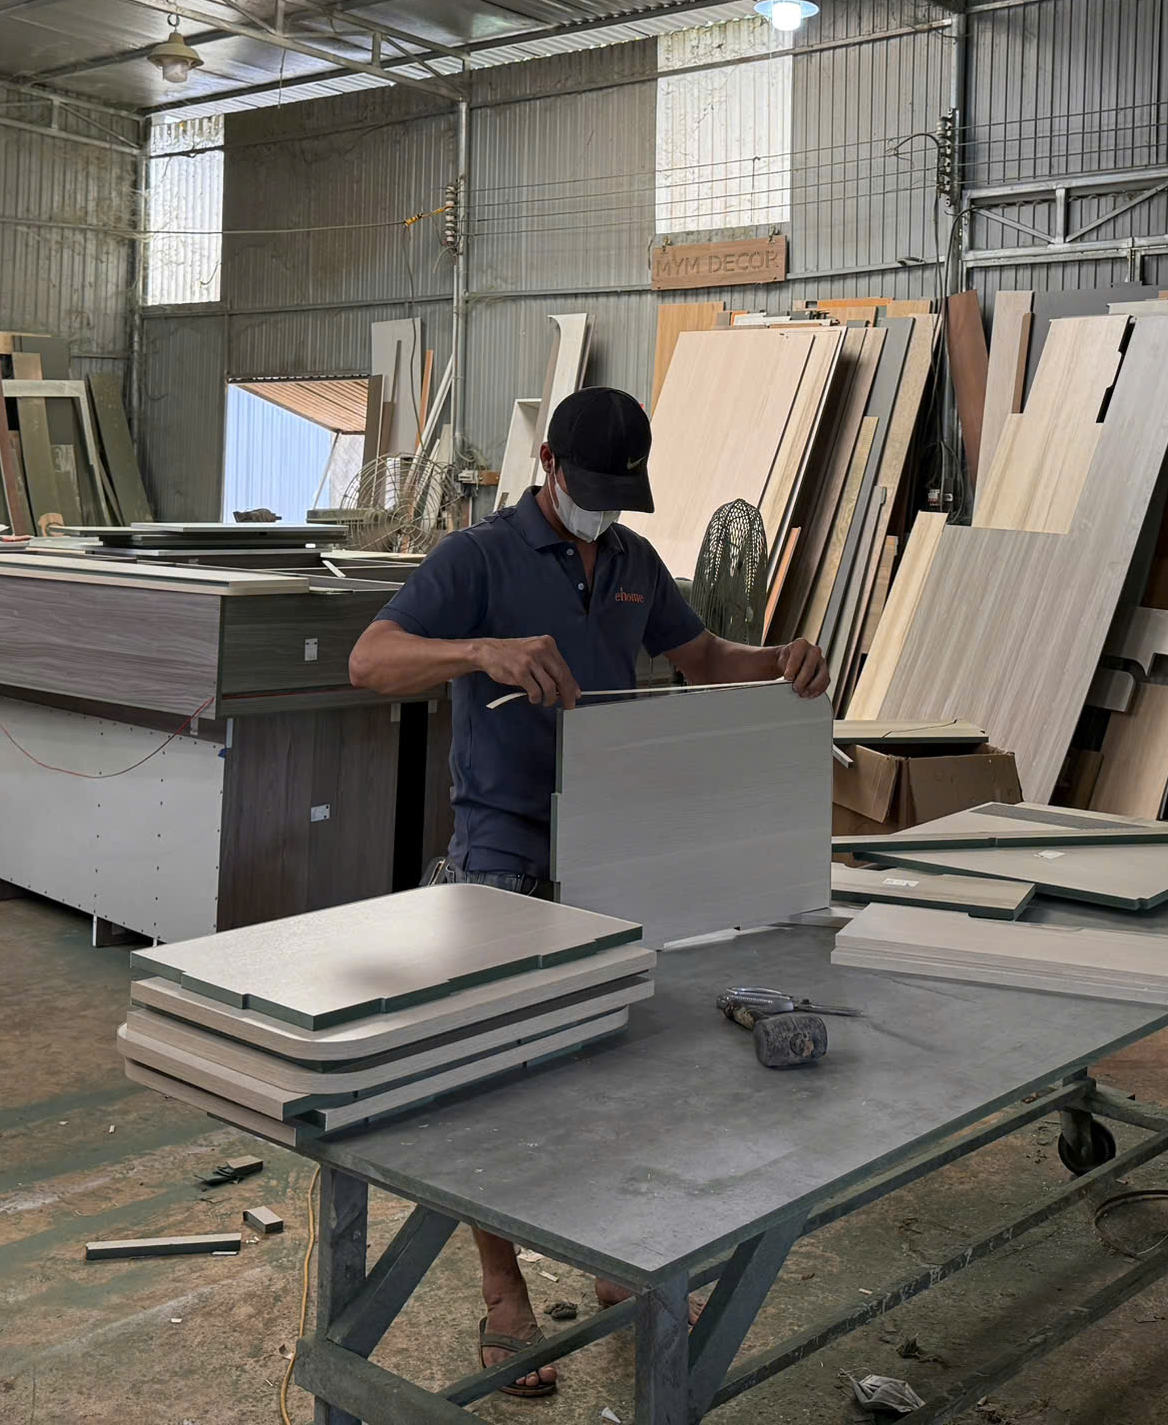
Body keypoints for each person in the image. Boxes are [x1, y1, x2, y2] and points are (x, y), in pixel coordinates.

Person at [349, 383, 829, 1395]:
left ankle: (617, 1262)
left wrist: (779, 663)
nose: (602, 508)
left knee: (623, 1070)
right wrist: (479, 650)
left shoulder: (634, 564)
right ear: (549, 468)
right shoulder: (477, 559)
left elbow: (703, 658)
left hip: (616, 851)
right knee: (490, 1080)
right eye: (591, 488)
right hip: (503, 855)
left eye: (619, 493)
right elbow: (370, 660)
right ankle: (502, 1287)